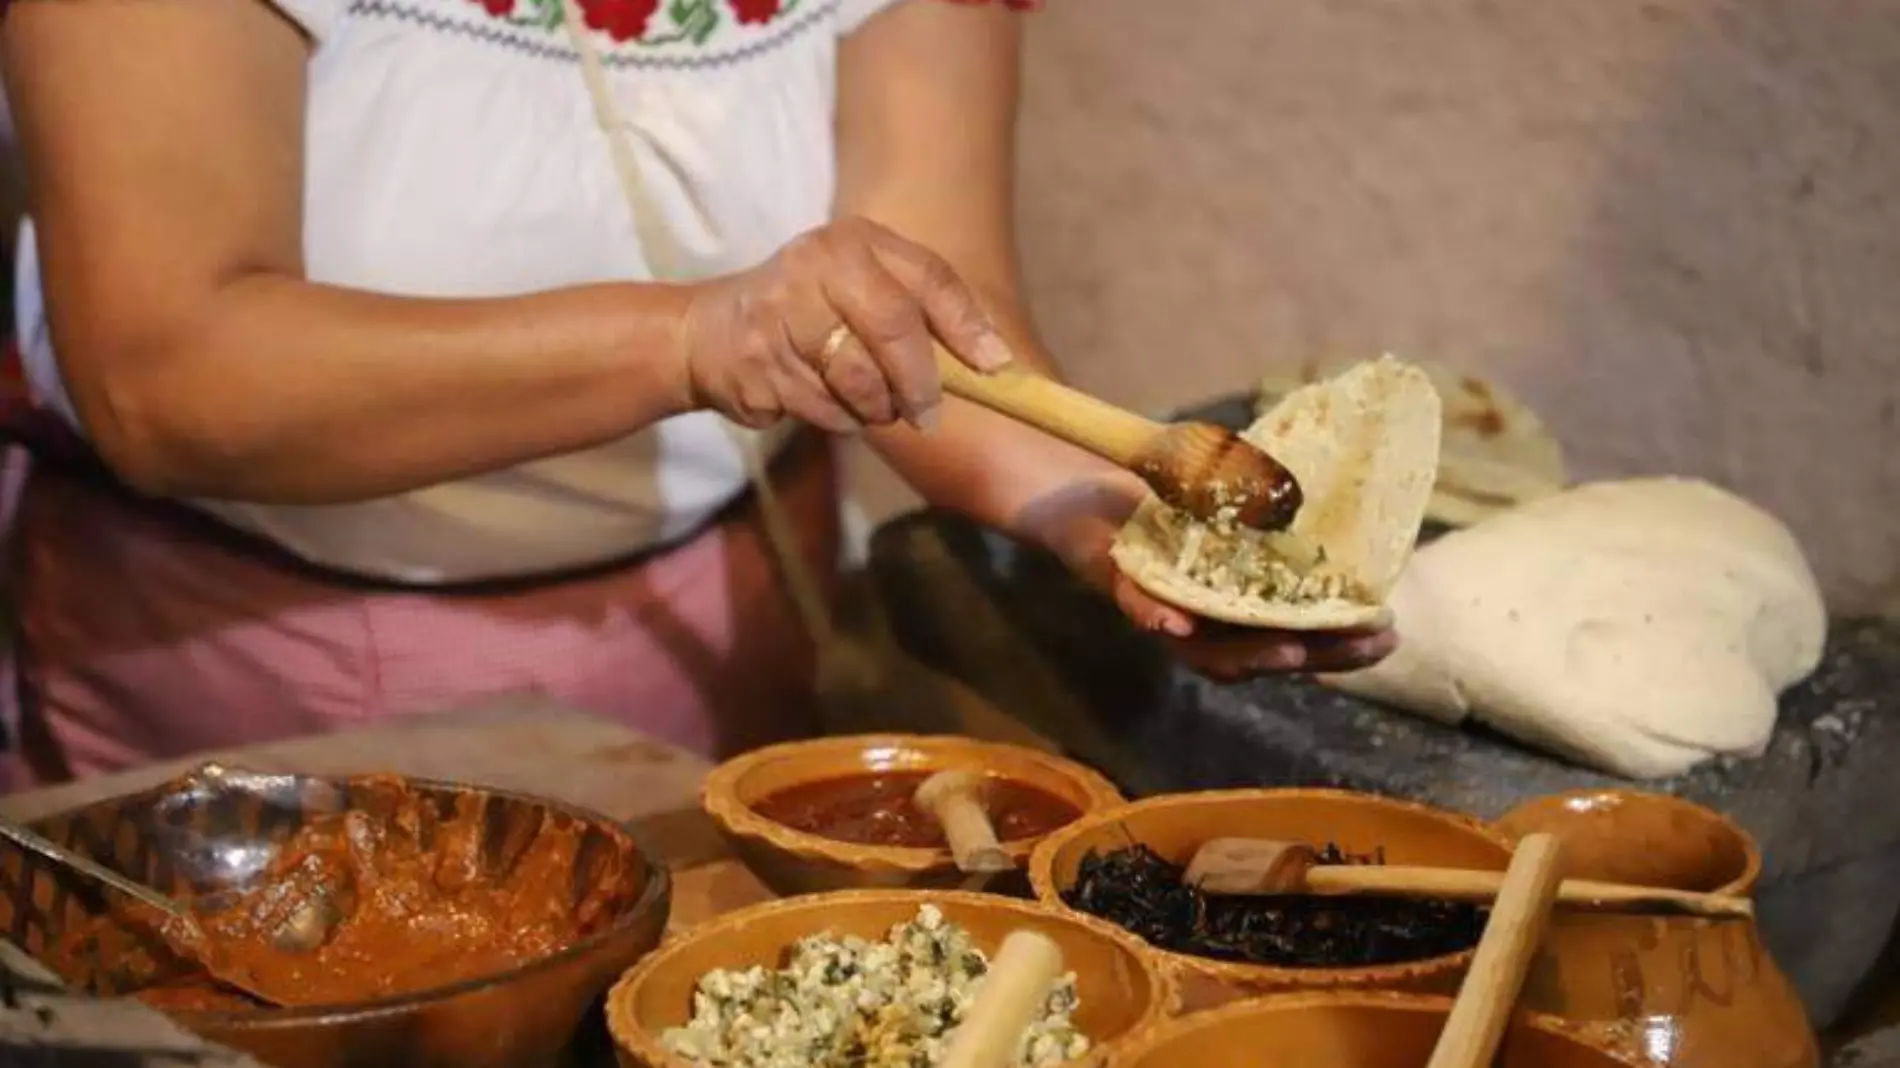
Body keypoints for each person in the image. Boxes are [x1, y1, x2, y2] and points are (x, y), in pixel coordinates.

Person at [0, 0, 1394, 791]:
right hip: (245, 694)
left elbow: (934, 309)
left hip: (716, 656)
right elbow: (164, 373)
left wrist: (1105, 526)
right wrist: (692, 336)